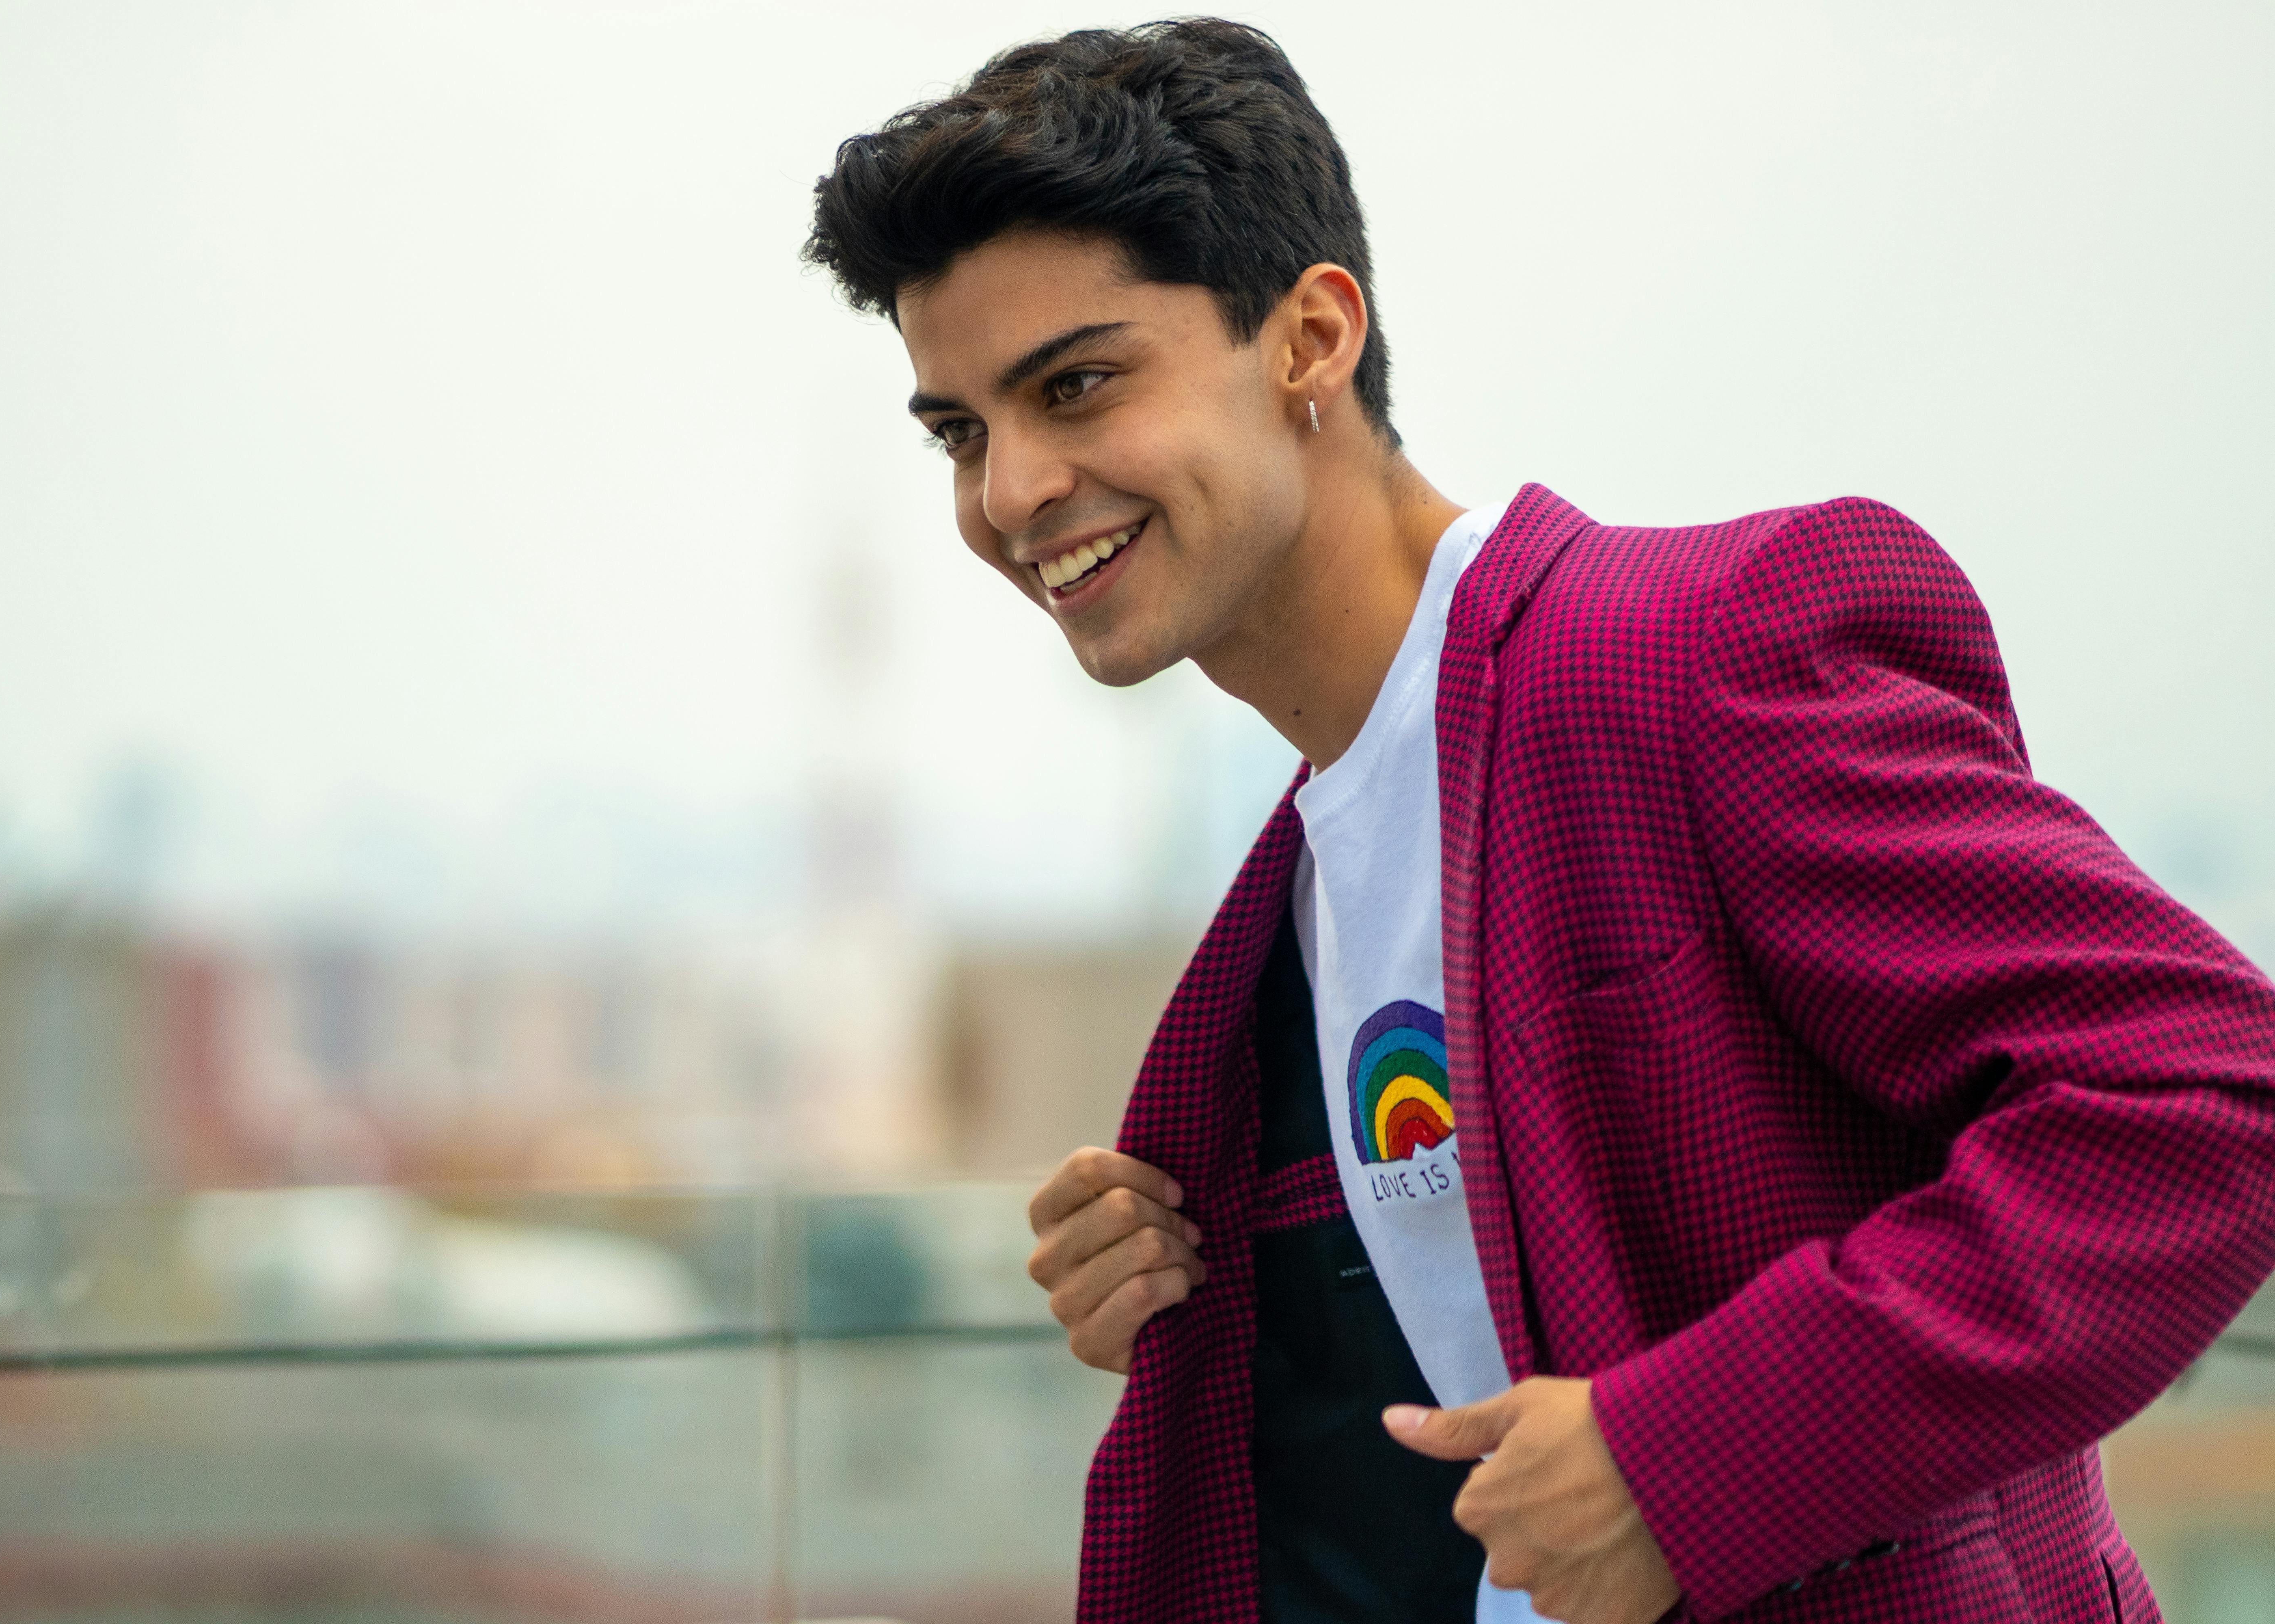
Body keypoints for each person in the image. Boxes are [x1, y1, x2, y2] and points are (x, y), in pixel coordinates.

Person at [801, 19, 2275, 1624]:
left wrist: (1685, 1458)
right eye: (960, 431)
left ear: (1310, 338)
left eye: (1075, 385)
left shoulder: (1691, 659)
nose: (1010, 491)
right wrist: (1211, 1280)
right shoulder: (1302, 889)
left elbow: (2209, 1095)